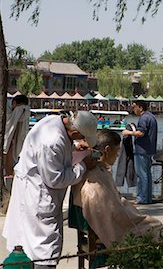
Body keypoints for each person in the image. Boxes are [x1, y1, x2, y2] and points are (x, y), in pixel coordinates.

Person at [2, 111, 98, 268]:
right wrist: (83, 166)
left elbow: (60, 149)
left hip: (34, 189)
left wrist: (74, 146)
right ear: (75, 132)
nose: (81, 140)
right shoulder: (51, 141)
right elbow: (55, 179)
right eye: (79, 137)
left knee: (31, 244)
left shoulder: (54, 122)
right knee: (42, 250)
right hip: (38, 195)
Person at [72, 130, 163, 247]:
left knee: (150, 223)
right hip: (111, 230)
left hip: (115, 217)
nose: (117, 156)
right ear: (107, 150)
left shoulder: (97, 173)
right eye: (117, 151)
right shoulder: (95, 182)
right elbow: (112, 215)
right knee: (156, 227)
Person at [122, 101, 158, 204]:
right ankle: (148, 197)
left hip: (142, 149)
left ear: (141, 107)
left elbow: (141, 133)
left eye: (134, 107)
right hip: (150, 150)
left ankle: (141, 198)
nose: (133, 109)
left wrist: (128, 132)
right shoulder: (152, 117)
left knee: (142, 175)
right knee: (147, 174)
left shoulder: (144, 118)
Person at [3, 94, 30, 178]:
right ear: (14, 102)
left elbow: (22, 117)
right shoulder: (5, 107)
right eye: (19, 109)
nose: (19, 111)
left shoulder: (22, 110)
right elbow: (8, 121)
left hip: (13, 138)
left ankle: (9, 172)